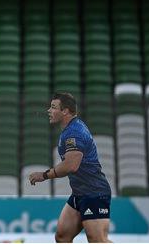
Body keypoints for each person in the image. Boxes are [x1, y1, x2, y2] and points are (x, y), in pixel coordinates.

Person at [29, 92, 112, 243]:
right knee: (62, 237)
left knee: (98, 240)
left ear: (65, 111)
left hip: (94, 193)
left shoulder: (74, 133)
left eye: (53, 107)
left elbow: (71, 166)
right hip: (80, 194)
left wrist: (44, 175)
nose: (49, 110)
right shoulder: (71, 128)